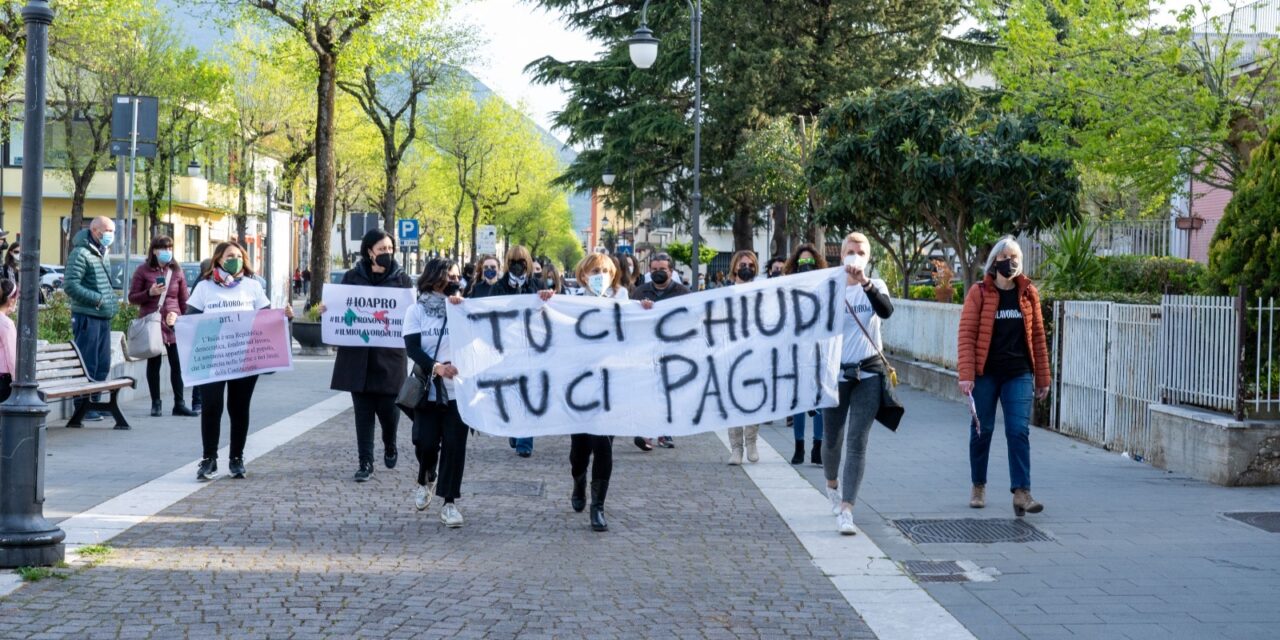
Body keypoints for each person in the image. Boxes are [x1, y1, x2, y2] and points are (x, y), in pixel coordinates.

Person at [958, 236, 1051, 517]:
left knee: (1018, 430)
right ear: (994, 261)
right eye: (1004, 257)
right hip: (985, 374)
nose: (1009, 262)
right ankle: (978, 485)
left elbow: (1038, 337)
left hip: (1018, 373)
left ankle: (1022, 492)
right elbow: (966, 335)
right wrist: (966, 375)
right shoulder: (979, 293)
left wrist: (1043, 378)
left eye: (1014, 257)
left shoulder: (1028, 293)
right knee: (982, 429)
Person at [185, 241, 294, 481]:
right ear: (218, 259)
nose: (234, 260)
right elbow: (189, 319)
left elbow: (267, 319)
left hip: (243, 356)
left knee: (239, 408)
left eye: (238, 256)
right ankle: (209, 459)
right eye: (229, 256)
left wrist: (285, 317)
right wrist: (175, 320)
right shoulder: (204, 287)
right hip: (212, 357)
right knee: (211, 406)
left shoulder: (252, 286)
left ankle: (236, 458)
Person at [539, 252, 629, 531]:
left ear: (613, 274)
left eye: (605, 271)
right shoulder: (571, 301)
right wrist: (545, 301)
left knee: (603, 444)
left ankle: (598, 506)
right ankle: (579, 479)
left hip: (610, 385)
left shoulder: (624, 300)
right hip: (578, 385)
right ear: (583, 275)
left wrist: (647, 309)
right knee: (580, 449)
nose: (600, 276)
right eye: (594, 271)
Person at [822, 232, 894, 535]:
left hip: (868, 373)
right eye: (851, 251)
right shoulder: (829, 288)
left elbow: (886, 311)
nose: (855, 257)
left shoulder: (875, 285)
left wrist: (864, 282)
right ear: (841, 256)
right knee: (832, 439)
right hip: (835, 375)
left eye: (861, 252)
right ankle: (832, 484)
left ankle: (847, 508)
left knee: (857, 441)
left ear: (868, 258)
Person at [329, 229, 413, 483]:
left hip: (389, 358)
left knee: (389, 412)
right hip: (358, 358)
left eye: (390, 249)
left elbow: (411, 315)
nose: (387, 253)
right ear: (369, 252)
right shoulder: (352, 277)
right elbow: (340, 308)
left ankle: (390, 442)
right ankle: (365, 462)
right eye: (381, 249)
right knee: (363, 414)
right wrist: (327, 310)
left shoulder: (402, 280)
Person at [404, 258, 469, 527]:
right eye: (450, 276)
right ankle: (426, 477)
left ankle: (449, 503)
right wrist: (437, 367)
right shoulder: (416, 311)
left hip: (458, 392)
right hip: (429, 389)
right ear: (435, 277)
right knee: (425, 443)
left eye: (457, 277)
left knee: (454, 447)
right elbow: (412, 348)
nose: (455, 281)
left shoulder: (464, 308)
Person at [128, 236, 198, 418]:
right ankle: (156, 403)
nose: (167, 251)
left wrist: (182, 319)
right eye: (163, 248)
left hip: (173, 323)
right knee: (154, 363)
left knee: (177, 363)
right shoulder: (143, 270)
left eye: (170, 248)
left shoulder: (176, 271)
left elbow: (184, 300)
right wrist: (149, 292)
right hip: (152, 321)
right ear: (154, 251)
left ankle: (179, 404)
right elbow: (132, 297)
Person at [631, 251, 690, 450]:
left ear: (671, 271)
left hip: (673, 350)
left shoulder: (683, 293)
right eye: (654, 269)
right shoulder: (640, 292)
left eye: (662, 269)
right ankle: (647, 432)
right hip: (646, 351)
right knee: (648, 391)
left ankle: (665, 432)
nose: (658, 272)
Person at [63, 216, 119, 422]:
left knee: (102, 363)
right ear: (96, 231)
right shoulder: (81, 253)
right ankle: (83, 406)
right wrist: (97, 299)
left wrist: (109, 303)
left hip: (102, 316)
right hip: (87, 316)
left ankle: (94, 402)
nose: (111, 235)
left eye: (112, 231)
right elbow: (70, 285)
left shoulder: (101, 252)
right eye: (108, 231)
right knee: (87, 363)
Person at [783, 243, 829, 465]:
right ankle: (799, 446)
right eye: (802, 262)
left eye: (810, 261)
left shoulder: (824, 287)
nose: (806, 265)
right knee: (799, 401)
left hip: (819, 351)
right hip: (796, 352)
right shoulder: (787, 288)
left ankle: (817, 446)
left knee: (819, 400)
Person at [493, 245, 541, 457]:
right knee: (512, 393)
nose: (517, 266)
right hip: (508, 348)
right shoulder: (499, 287)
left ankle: (525, 441)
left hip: (532, 347)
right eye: (513, 261)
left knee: (528, 393)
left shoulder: (536, 285)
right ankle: (514, 428)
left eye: (521, 261)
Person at [722, 250, 763, 465]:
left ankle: (752, 441)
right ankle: (736, 448)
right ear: (735, 268)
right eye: (742, 264)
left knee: (754, 399)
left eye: (750, 265)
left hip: (756, 353)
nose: (746, 268)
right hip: (731, 354)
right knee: (733, 402)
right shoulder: (725, 293)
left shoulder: (763, 291)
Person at [0, 278, 16, 402]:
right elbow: (12, 356)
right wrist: (17, 381)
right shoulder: (6, 324)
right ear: (11, 300)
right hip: (3, 379)